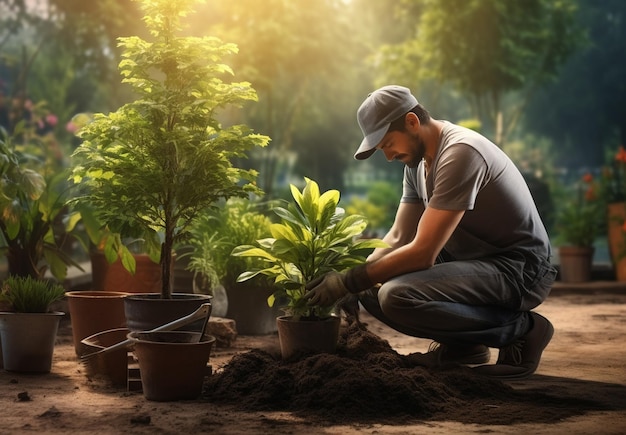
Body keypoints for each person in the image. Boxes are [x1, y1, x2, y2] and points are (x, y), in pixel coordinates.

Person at [304, 85, 557, 379]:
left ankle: (524, 332)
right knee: (372, 290)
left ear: (412, 122)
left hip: (520, 268)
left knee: (396, 296)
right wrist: (353, 281)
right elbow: (398, 236)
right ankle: (464, 346)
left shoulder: (461, 152)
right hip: (474, 262)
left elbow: (424, 253)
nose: (387, 156)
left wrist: (348, 280)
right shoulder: (415, 164)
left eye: (387, 144)